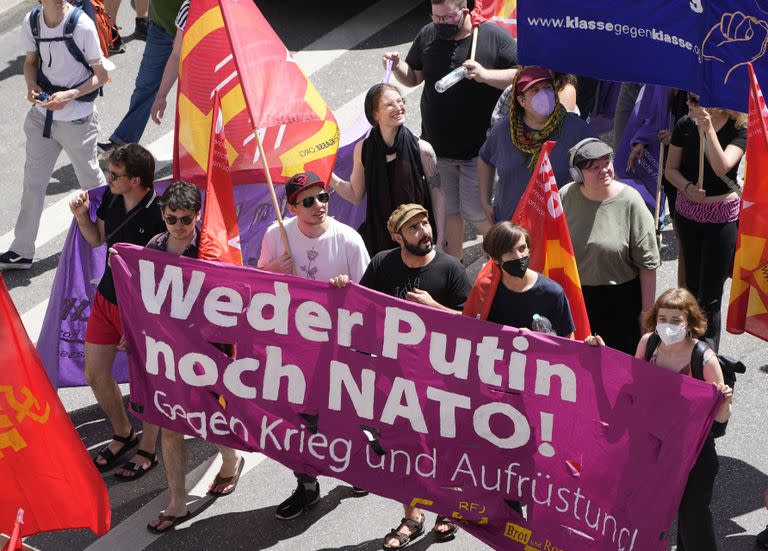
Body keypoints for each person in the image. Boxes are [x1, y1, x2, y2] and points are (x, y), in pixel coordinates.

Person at [257, 172, 371, 520]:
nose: (319, 205)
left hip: (337, 347)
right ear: (291, 207)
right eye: (308, 201)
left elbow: (369, 298)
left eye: (323, 197)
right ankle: (306, 484)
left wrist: (347, 289)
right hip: (293, 346)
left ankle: (354, 468)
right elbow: (258, 283)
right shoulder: (276, 235)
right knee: (297, 419)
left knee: (342, 413)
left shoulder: (348, 239)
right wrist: (274, 269)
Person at [359, 203, 471, 548]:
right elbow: (360, 306)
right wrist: (339, 287)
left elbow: (474, 326)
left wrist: (434, 308)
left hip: (442, 380)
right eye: (414, 227)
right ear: (397, 236)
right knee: (402, 449)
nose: (425, 231)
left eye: (425, 223)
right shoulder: (381, 264)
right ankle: (413, 516)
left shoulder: (451, 269)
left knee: (443, 448)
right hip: (394, 378)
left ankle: (447, 509)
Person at [589, 287, 732, 551]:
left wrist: (724, 402)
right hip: (651, 447)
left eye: (675, 321)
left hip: (692, 455)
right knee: (645, 514)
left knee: (693, 520)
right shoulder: (649, 343)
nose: (668, 326)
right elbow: (630, 382)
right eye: (663, 319)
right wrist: (602, 353)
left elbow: (720, 422)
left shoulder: (705, 359)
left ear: (689, 322)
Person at [141, 181, 243, 533]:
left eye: (186, 219)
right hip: (169, 352)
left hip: (206, 352)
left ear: (198, 216)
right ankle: (177, 502)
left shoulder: (209, 249)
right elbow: (146, 296)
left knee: (209, 418)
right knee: (171, 424)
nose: (179, 226)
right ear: (162, 215)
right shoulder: (154, 246)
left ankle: (230, 459)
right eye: (172, 219)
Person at [382, 0, 518, 259]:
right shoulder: (428, 34)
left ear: (464, 12)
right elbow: (413, 77)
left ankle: (510, 252)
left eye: (447, 18)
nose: (441, 23)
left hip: (478, 151)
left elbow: (522, 74)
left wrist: (485, 75)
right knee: (449, 213)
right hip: (438, 148)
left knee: (476, 211)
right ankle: (455, 267)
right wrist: (398, 65)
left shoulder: (490, 36)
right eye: (436, 17)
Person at [69, 144, 166, 477]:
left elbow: (161, 276)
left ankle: (148, 449)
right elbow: (97, 240)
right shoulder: (111, 199)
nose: (107, 177)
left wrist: (138, 322)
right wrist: (83, 217)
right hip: (106, 299)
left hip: (137, 310)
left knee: (147, 383)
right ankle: (123, 433)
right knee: (95, 374)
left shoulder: (159, 214)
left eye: (114, 174)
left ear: (135, 180)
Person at [0, 0, 109, 271]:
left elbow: (103, 75)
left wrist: (70, 95)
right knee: (33, 182)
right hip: (42, 117)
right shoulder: (33, 21)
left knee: (92, 182)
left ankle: (111, 239)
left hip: (77, 120)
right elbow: (30, 63)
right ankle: (21, 250)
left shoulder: (81, 24)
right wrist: (30, 85)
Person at [560, 138, 660, 355]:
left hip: (620, 303)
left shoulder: (631, 201)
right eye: (594, 167)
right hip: (577, 299)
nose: (603, 170)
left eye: (606, 163)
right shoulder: (565, 196)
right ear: (577, 174)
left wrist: (647, 313)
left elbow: (648, 264)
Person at [664, 93, 747, 352]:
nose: (690, 105)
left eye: (696, 100)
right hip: (689, 215)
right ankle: (687, 350)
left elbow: (723, 166)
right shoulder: (684, 126)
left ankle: (708, 356)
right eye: (689, 99)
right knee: (691, 288)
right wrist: (687, 187)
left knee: (710, 295)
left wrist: (708, 127)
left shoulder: (739, 129)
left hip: (721, 217)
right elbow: (670, 170)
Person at [329, 83, 445, 256]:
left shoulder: (422, 149)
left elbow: (438, 197)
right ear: (375, 114)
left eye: (401, 101)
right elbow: (355, 195)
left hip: (418, 239)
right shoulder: (363, 149)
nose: (399, 108)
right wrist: (329, 175)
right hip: (380, 240)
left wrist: (441, 238)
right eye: (390, 105)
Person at [479, 66, 595, 225]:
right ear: (521, 101)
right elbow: (485, 158)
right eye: (534, 90)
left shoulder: (576, 129)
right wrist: (484, 202)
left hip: (556, 231)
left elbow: (600, 164)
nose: (544, 94)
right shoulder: (504, 130)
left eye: (547, 87)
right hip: (512, 229)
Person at [98, 0, 183, 155]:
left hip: (196, 30)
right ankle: (122, 142)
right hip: (161, 29)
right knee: (145, 86)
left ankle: (213, 150)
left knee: (199, 96)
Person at [463, 222, 575, 338]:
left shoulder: (553, 293)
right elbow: (468, 329)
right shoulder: (484, 291)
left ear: (529, 249)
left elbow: (569, 342)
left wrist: (536, 341)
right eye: (510, 251)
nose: (519, 256)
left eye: (522, 248)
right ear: (495, 259)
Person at [149, 0, 188, 126]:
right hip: (197, 96)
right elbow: (176, 56)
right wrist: (161, 95)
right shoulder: (189, 9)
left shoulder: (238, 7)